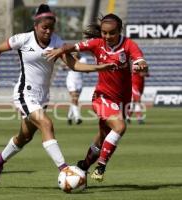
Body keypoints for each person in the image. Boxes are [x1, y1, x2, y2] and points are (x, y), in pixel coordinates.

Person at [0, 4, 116, 184]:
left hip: (42, 97)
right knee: (46, 124)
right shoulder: (24, 39)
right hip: (25, 93)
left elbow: (73, 65)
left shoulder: (57, 42)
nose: (48, 31)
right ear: (36, 26)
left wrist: (98, 67)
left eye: (51, 28)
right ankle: (65, 170)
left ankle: (0, 159)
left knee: (24, 137)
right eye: (44, 28)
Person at [45, 13, 149, 182]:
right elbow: (73, 47)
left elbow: (139, 59)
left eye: (111, 33)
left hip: (122, 100)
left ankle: (83, 167)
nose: (107, 36)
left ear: (120, 31)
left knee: (102, 139)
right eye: (104, 32)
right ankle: (101, 167)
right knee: (120, 127)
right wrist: (60, 50)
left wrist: (140, 64)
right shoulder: (97, 43)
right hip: (102, 97)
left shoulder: (129, 44)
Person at [66, 54, 87, 125]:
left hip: (79, 81)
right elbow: (64, 66)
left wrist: (74, 60)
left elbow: (83, 67)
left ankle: (69, 117)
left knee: (75, 100)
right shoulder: (69, 57)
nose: (75, 52)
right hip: (71, 80)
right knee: (74, 99)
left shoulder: (83, 59)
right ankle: (77, 118)